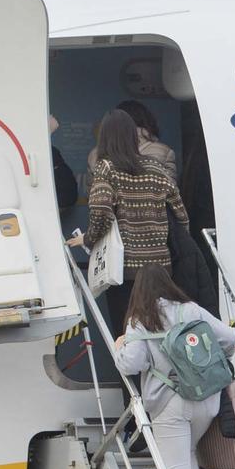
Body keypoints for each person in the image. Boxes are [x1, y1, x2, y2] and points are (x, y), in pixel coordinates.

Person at [112, 265, 235, 469]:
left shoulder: (140, 320)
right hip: (207, 400)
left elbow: (132, 364)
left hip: (170, 403)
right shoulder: (191, 310)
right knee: (188, 459)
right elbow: (229, 339)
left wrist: (119, 346)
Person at [70, 108, 189, 331]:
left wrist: (88, 239)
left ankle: (132, 367)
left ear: (104, 137)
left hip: (124, 269)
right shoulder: (156, 169)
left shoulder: (106, 168)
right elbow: (181, 215)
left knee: (127, 332)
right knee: (160, 330)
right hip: (160, 269)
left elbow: (102, 213)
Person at [87, 99, 177, 182]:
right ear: (147, 121)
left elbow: (92, 193)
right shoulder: (164, 152)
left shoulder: (96, 154)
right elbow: (170, 193)